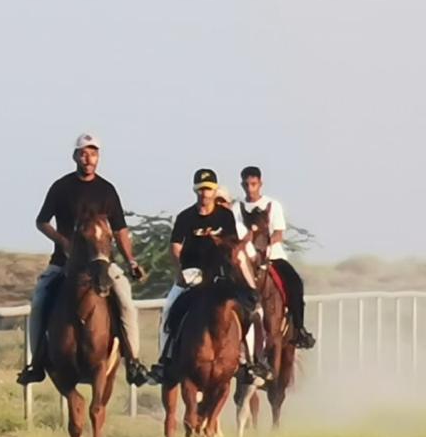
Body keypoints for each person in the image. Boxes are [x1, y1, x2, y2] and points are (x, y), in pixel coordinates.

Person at [16, 133, 150, 387]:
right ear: (75, 156)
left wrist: (131, 260)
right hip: (64, 263)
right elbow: (42, 222)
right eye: (84, 153)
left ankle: (133, 361)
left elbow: (120, 229)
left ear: (98, 157)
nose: (89, 159)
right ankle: (36, 363)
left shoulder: (107, 190)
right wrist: (63, 242)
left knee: (125, 299)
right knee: (40, 298)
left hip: (102, 263)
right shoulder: (61, 187)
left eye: (93, 153)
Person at [150, 168, 268, 383]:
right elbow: (175, 247)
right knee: (169, 309)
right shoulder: (185, 217)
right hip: (192, 272)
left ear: (214, 191)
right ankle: (165, 360)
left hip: (221, 274)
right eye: (201, 189)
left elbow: (233, 245)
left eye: (209, 189)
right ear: (195, 190)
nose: (205, 193)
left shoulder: (225, 216)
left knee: (248, 309)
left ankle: (250, 361)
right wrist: (179, 272)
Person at [232, 165, 315, 348]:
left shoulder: (273, 205)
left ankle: (299, 329)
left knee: (295, 284)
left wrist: (265, 245)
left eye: (253, 184)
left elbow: (279, 233)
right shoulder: (236, 208)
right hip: (246, 259)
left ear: (260, 183)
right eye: (246, 185)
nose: (249, 188)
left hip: (273, 257)